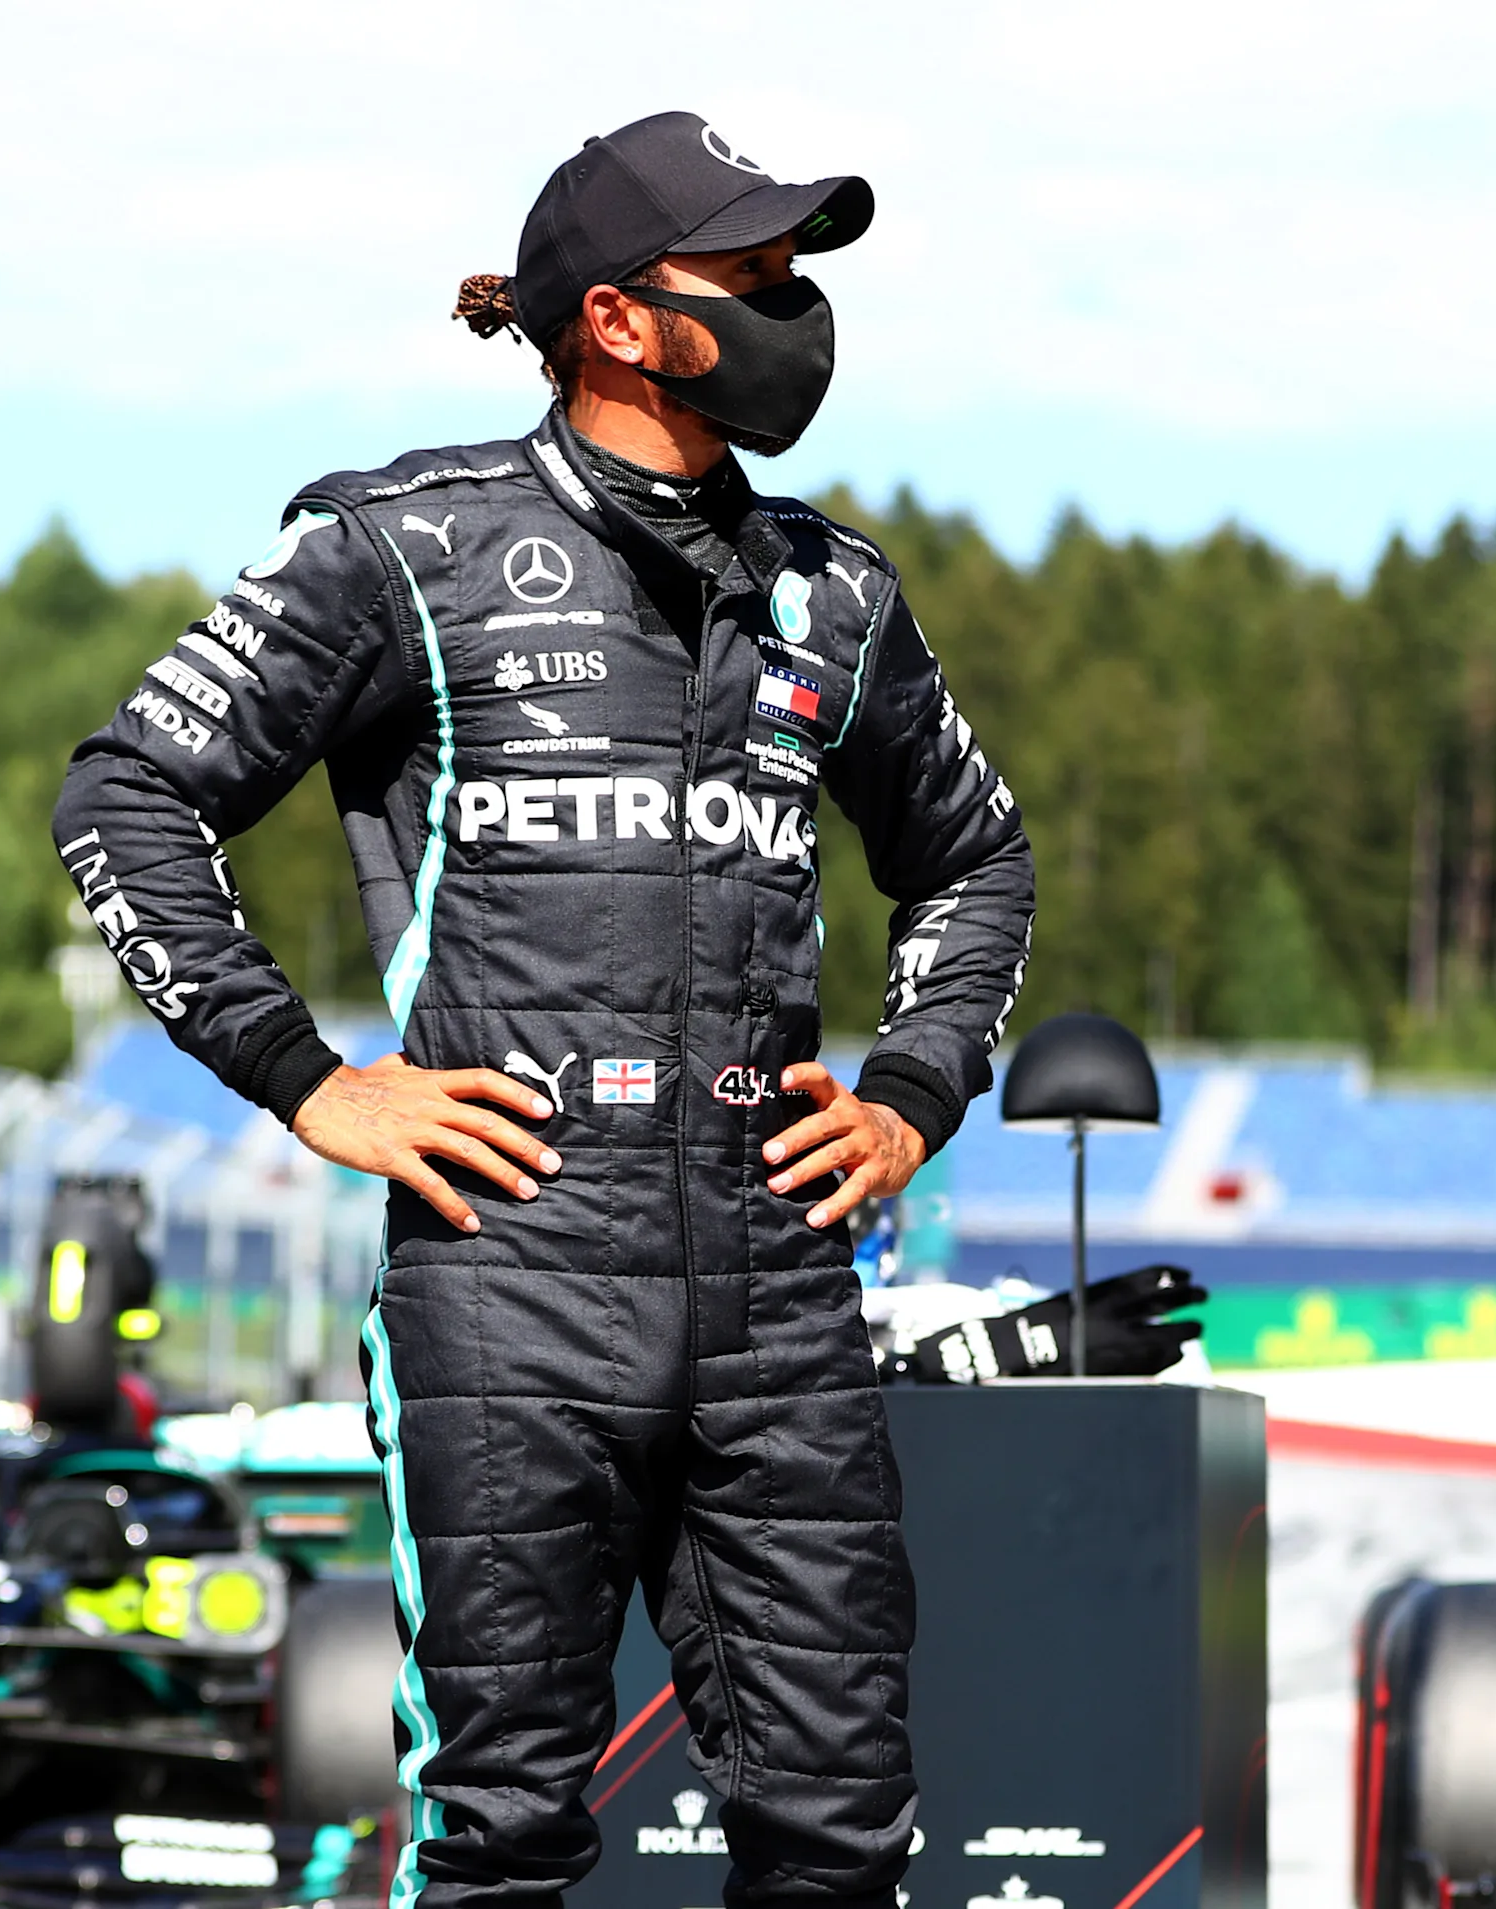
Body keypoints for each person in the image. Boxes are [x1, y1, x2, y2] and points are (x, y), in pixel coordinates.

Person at [51, 112, 1032, 1909]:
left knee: (842, 1832)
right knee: (500, 1828)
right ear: (619, 322)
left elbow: (975, 863)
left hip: (779, 1284)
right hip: (507, 1270)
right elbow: (124, 796)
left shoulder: (843, 591)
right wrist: (305, 1082)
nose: (799, 307)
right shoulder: (401, 546)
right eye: (757, 275)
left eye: (798, 273)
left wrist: (913, 1091)